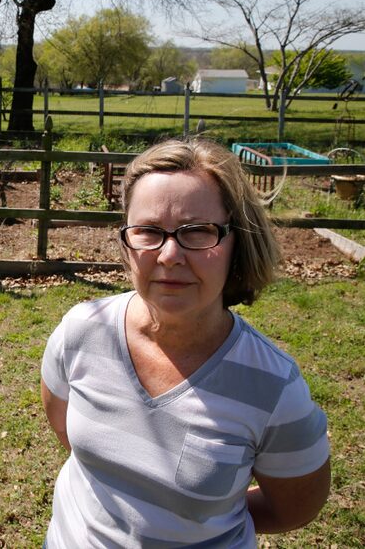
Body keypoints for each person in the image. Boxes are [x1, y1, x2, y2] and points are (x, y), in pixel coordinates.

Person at [40, 138, 331, 547]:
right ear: (127, 241)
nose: (170, 254)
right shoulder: (81, 332)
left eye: (198, 232)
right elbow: (70, 433)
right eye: (148, 231)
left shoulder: (274, 389)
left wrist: (204, 515)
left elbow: (294, 507)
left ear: (237, 241)